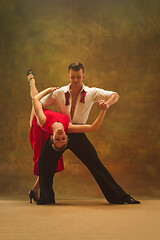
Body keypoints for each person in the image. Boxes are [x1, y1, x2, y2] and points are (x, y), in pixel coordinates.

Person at [37, 62, 140, 205]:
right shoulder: (59, 92)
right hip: (61, 133)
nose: (75, 80)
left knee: (96, 165)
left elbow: (115, 95)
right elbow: (39, 104)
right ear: (68, 76)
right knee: (44, 161)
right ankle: (46, 198)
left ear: (83, 76)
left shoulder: (92, 92)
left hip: (78, 132)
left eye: (78, 77)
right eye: (72, 77)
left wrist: (107, 104)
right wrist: (48, 122)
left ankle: (120, 197)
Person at [27, 70, 107, 204]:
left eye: (57, 139)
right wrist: (103, 110)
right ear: (66, 136)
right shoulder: (68, 127)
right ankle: (34, 191)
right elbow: (93, 127)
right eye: (63, 139)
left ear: (51, 138)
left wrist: (48, 90)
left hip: (37, 123)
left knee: (35, 98)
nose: (60, 136)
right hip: (46, 121)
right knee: (47, 165)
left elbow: (36, 100)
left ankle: (31, 81)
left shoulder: (42, 120)